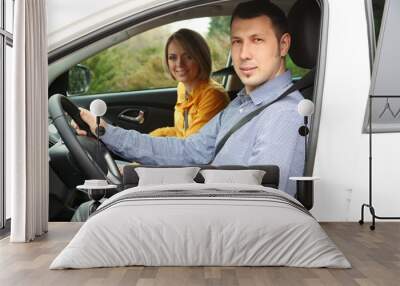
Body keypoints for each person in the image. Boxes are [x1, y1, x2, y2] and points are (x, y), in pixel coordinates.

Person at [73, 0, 305, 221]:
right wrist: (107, 132)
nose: (244, 54)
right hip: (208, 207)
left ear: (283, 45)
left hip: (218, 221)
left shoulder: (284, 115)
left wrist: (160, 191)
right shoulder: (240, 105)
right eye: (237, 41)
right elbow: (188, 150)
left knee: (90, 212)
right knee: (93, 207)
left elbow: (260, 208)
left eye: (257, 40)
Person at [150, 29, 230, 138]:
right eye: (172, 57)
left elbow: (191, 147)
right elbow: (181, 133)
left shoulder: (213, 95)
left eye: (188, 56)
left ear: (200, 58)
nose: (179, 64)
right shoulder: (182, 87)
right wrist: (150, 138)